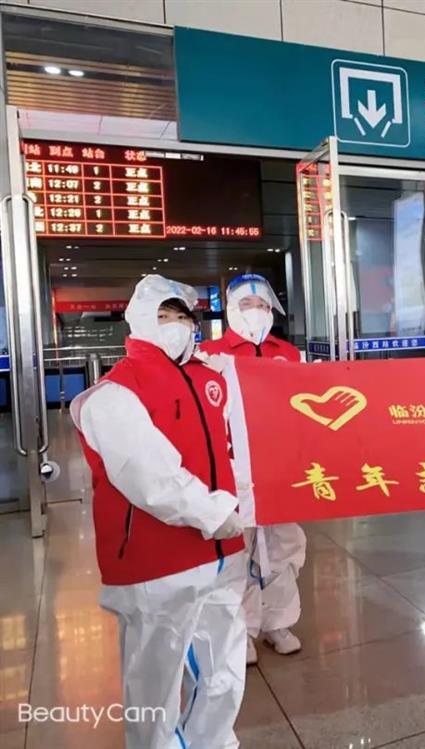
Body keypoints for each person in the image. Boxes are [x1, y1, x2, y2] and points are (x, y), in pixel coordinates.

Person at [70, 275, 246, 749]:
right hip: (156, 563)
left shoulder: (211, 379)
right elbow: (151, 478)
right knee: (155, 681)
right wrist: (216, 513)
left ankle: (213, 742)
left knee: (225, 670)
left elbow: (239, 452)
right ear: (139, 321)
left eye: (182, 317)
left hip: (223, 554)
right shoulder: (114, 395)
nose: (175, 326)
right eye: (163, 316)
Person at [200, 273, 306, 665]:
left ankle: (279, 622)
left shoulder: (287, 353)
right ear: (231, 308)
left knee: (283, 547)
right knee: (237, 550)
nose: (256, 312)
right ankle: (240, 630)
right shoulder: (209, 354)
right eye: (247, 305)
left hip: (280, 468)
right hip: (233, 472)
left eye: (263, 305)